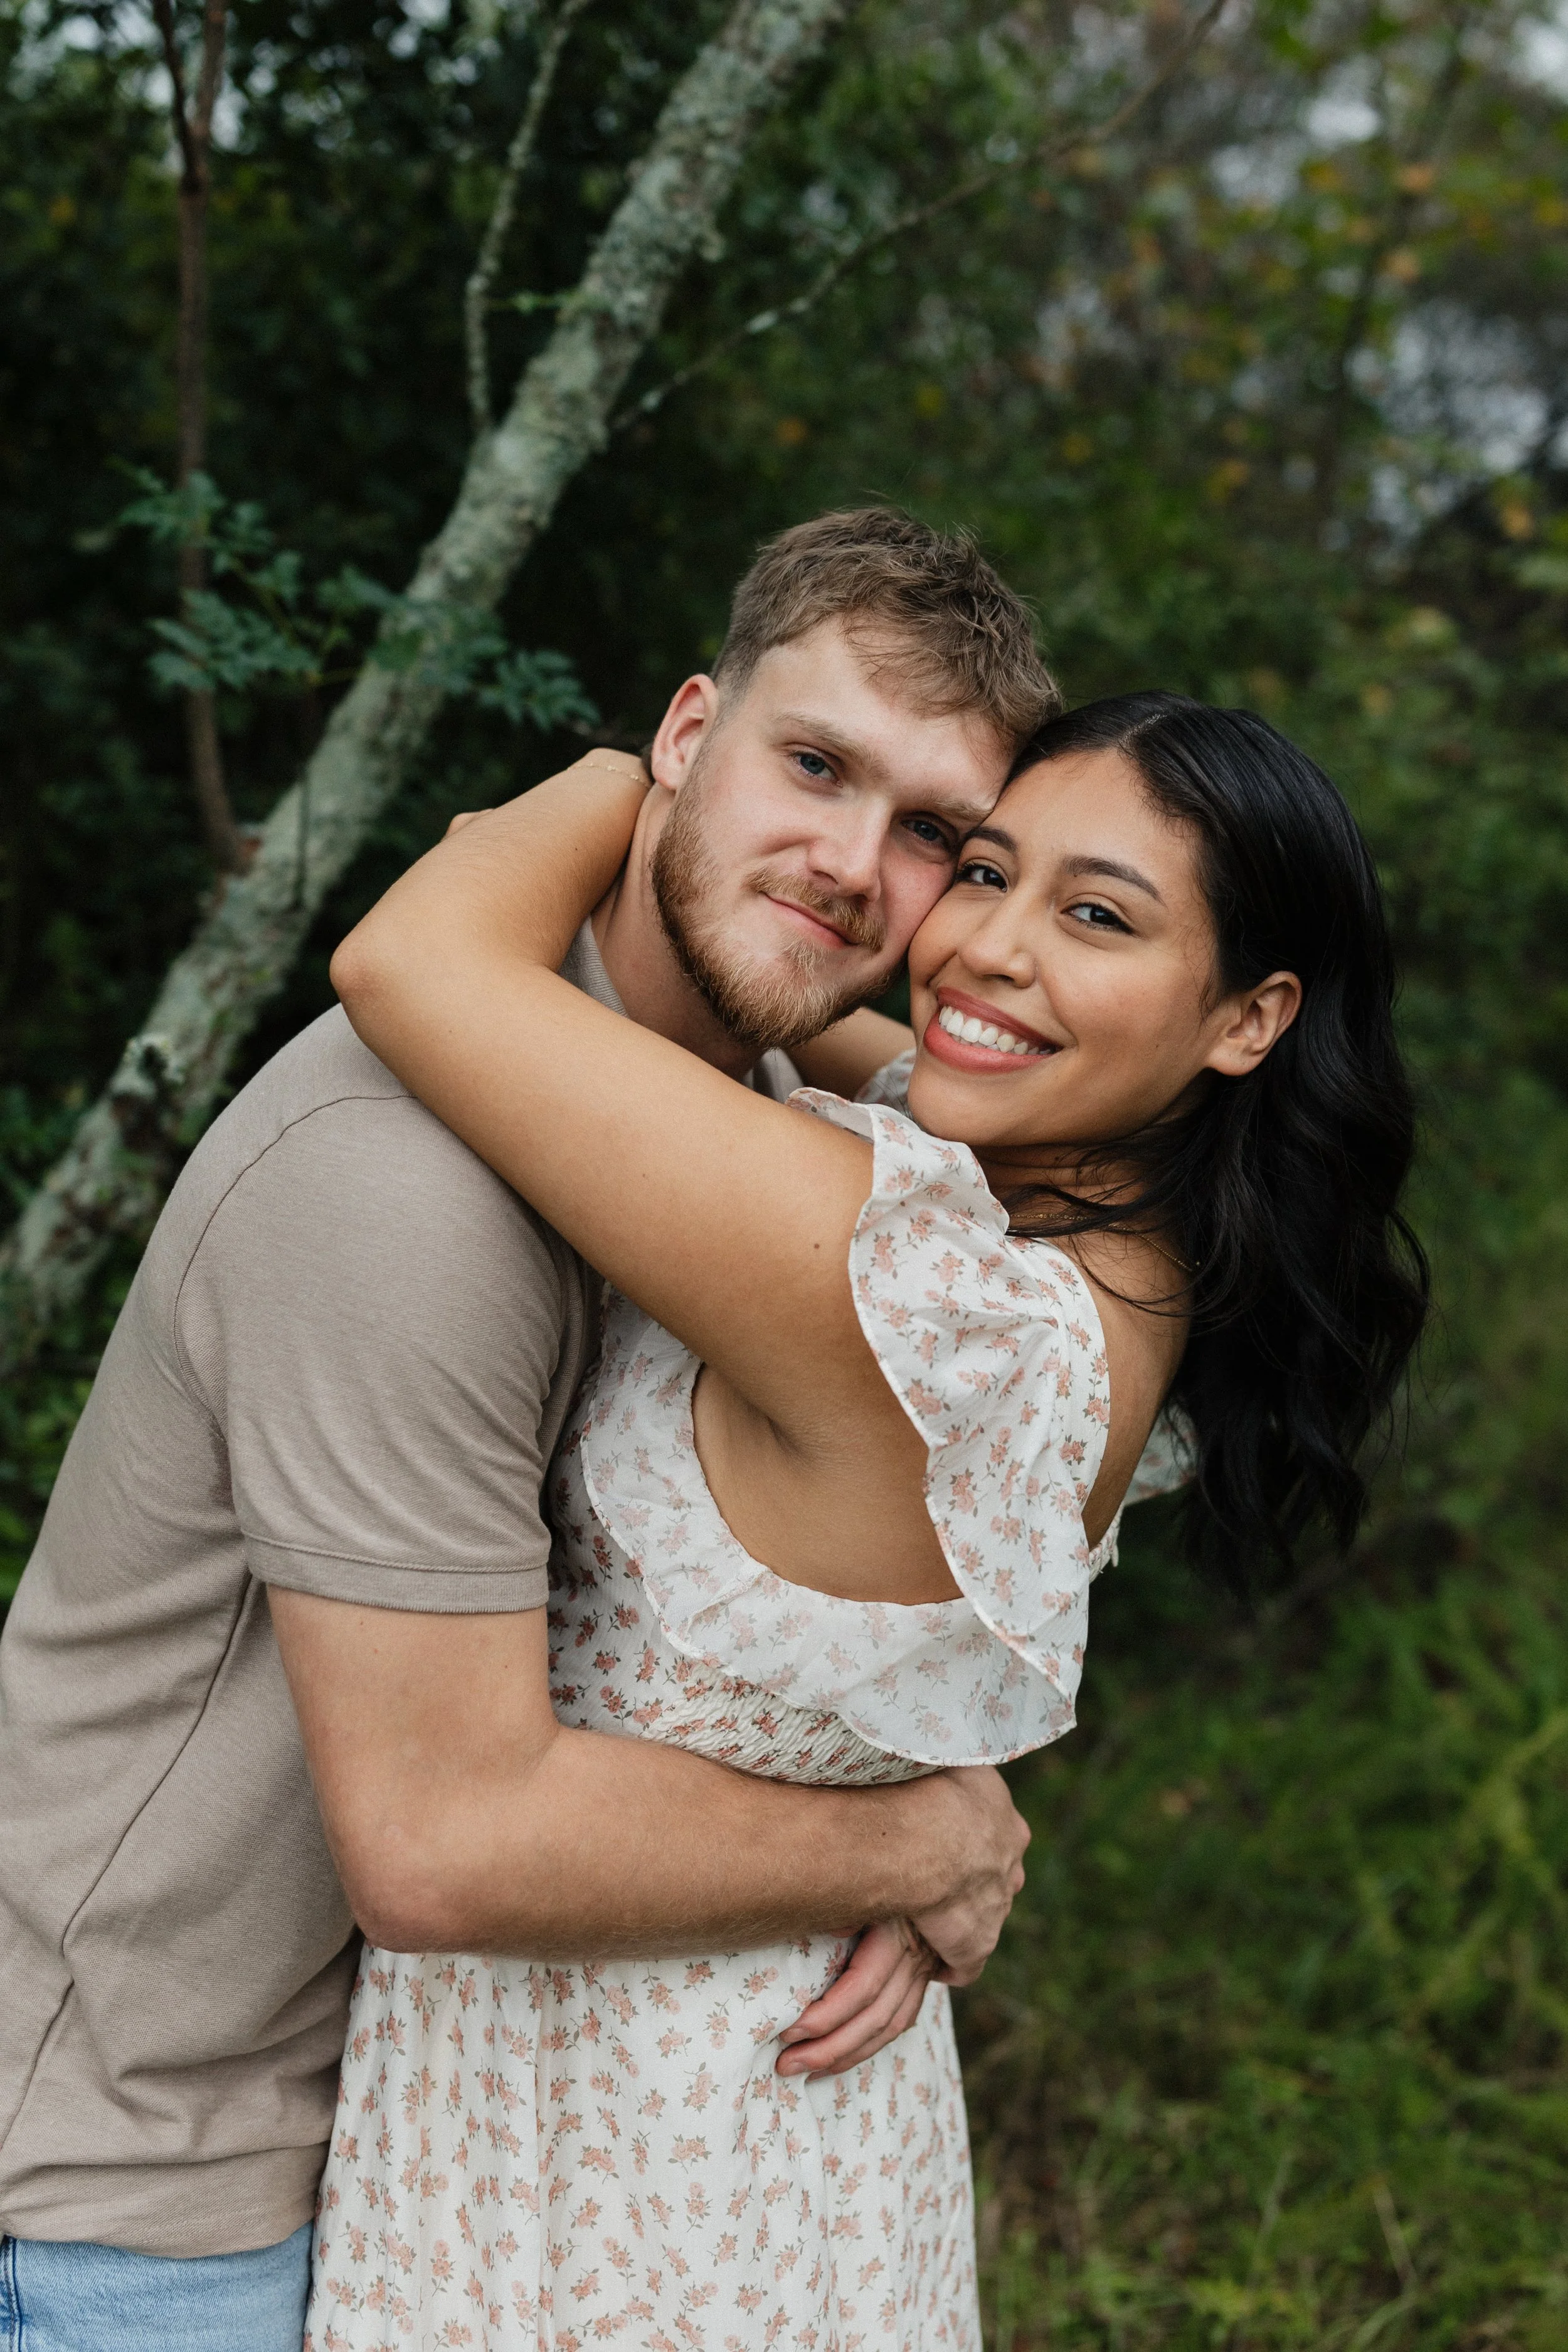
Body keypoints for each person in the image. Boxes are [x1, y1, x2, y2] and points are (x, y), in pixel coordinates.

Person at [0, 511, 1057, 2351]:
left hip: (360, 2148)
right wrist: (914, 1844)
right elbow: (445, 1837)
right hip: (114, 2192)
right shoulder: (405, 1194)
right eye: (813, 765)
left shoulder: (701, 1117)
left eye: (930, 841)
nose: (847, 866)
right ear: (682, 733)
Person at [306, 691, 1429, 2346]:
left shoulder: (917, 1293)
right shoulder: (1087, 1251)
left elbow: (415, 960)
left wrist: (678, 763)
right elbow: (840, 1020)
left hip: (627, 2173)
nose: (986, 948)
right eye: (981, 872)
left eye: (1096, 915)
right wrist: (930, 1827)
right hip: (784, 2127)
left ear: (1248, 1017)